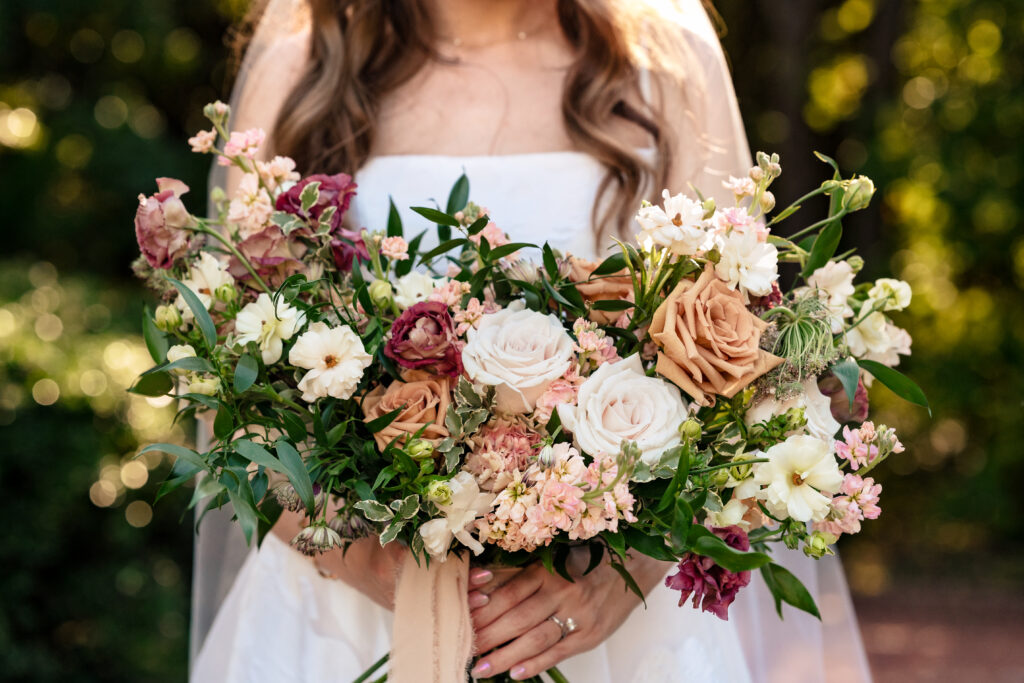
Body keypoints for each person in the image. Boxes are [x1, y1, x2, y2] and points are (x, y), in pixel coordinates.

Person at [190, 1, 872, 681]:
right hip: (343, 621)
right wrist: (365, 559)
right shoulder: (301, 72)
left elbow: (746, 366)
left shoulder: (665, 65)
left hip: (612, 627)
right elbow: (232, 387)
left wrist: (625, 575)